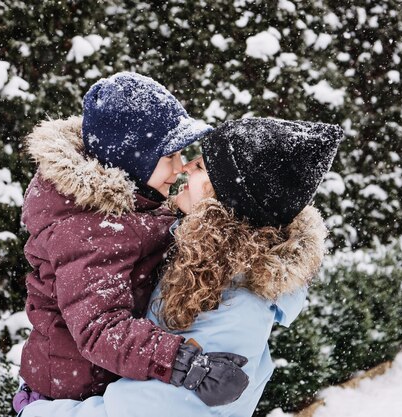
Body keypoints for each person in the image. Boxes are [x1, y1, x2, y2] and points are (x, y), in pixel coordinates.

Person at [17, 117, 343, 417]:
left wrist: (35, 413)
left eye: (200, 166)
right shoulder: (200, 258)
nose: (183, 169)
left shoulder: (233, 307)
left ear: (226, 201)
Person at [15, 72, 250, 411]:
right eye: (168, 156)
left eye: (181, 154)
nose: (180, 167)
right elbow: (101, 328)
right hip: (71, 394)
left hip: (104, 381)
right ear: (129, 160)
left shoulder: (135, 198)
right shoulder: (89, 230)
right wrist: (185, 365)